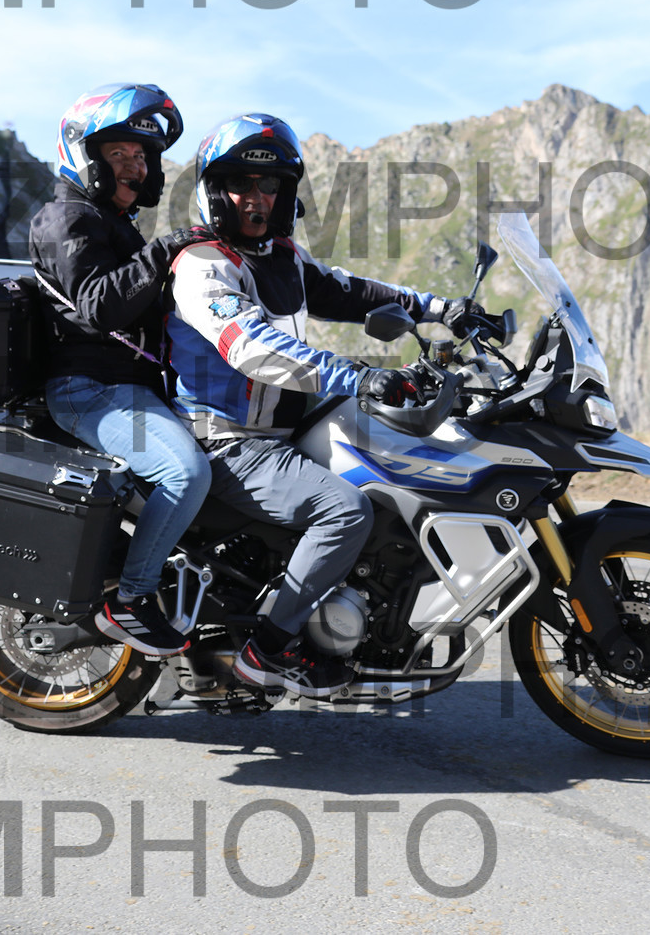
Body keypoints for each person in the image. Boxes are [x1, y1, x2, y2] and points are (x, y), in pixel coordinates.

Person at [167, 114, 484, 698]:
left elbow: (353, 291)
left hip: (282, 427)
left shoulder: (281, 256)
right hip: (229, 439)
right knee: (346, 511)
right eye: (240, 183)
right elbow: (253, 348)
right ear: (214, 191)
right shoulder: (202, 264)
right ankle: (269, 650)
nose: (257, 197)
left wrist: (443, 310)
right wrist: (357, 376)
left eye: (270, 185)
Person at [28, 82, 212, 658]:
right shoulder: (67, 219)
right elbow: (101, 306)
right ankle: (131, 600)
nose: (135, 166)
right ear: (86, 156)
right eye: (119, 154)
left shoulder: (110, 220)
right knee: (185, 474)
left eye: (141, 156)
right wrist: (166, 249)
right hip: (90, 389)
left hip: (127, 388)